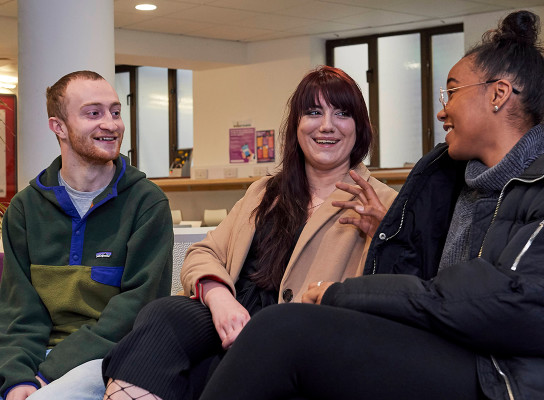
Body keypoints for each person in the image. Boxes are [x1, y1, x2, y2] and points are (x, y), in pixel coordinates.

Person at [198, 10, 544, 400]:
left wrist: (336, 293)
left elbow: (510, 303)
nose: (441, 109)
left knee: (284, 328)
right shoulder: (450, 180)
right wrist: (392, 235)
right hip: (441, 345)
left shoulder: (535, 184)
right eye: (313, 113)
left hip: (499, 373)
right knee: (195, 323)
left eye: (452, 91)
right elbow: (429, 281)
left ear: (498, 94)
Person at [101, 66, 398, 400]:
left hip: (295, 340)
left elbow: (395, 294)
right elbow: (203, 253)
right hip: (230, 320)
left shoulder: (382, 203)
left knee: (203, 375)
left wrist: (387, 236)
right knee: (161, 314)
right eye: (313, 112)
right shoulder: (265, 191)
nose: (327, 125)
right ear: (297, 126)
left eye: (342, 113)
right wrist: (219, 298)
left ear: (360, 127)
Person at [0, 71, 173, 400]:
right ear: (59, 127)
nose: (111, 124)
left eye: (116, 111)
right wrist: (16, 377)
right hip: (36, 360)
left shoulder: (147, 203)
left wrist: (43, 378)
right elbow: (19, 314)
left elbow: (134, 311)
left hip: (109, 358)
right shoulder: (24, 209)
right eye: (94, 113)